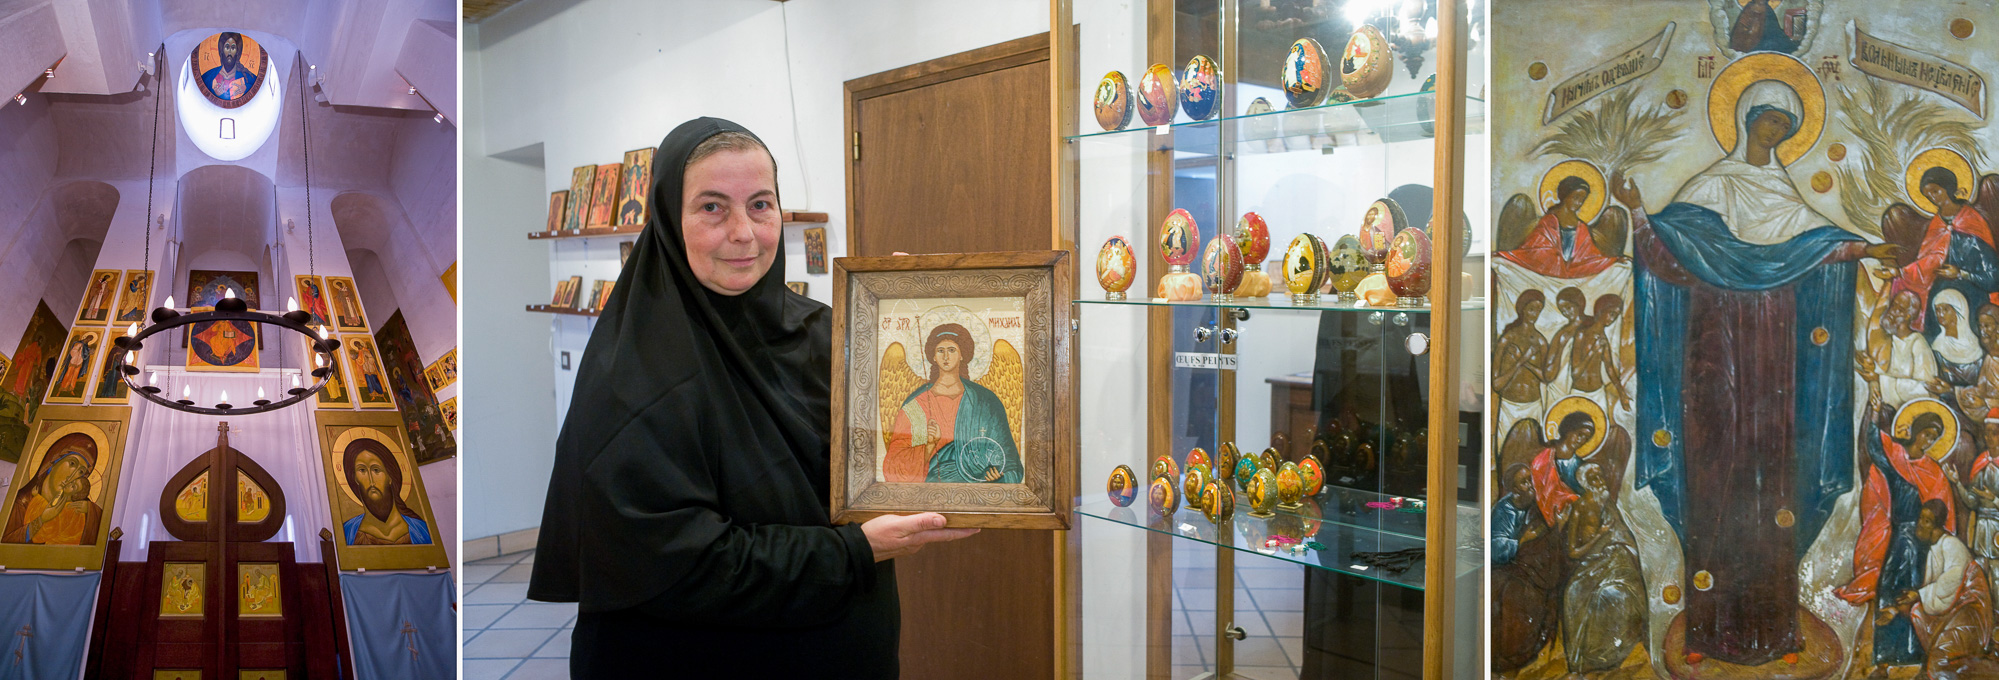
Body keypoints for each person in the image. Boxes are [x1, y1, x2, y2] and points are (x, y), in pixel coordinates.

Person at [528, 118, 979, 678]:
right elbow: (683, 567)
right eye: (712, 207)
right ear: (670, 218)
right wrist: (856, 551)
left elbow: (894, 444)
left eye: (761, 204)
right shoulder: (633, 375)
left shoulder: (824, 332)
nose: (743, 232)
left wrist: (911, 319)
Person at [1626, 77, 1897, 663]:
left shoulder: (1783, 195)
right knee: (1714, 471)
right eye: (1767, 122)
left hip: (1774, 354)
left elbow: (1813, 246)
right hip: (1713, 350)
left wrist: (1865, 250)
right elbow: (1669, 260)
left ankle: (1775, 631)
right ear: (1746, 121)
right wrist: (1639, 219)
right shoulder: (1709, 190)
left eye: (1784, 127)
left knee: (1773, 475)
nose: (1773, 133)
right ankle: (1705, 632)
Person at [1837, 400, 1957, 673]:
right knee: (1887, 593)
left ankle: (1916, 658)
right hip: (1898, 539)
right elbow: (1875, 448)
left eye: (1934, 438)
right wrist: (1876, 411)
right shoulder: (1896, 459)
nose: (1928, 441)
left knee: (1914, 596)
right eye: (1926, 433)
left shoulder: (1934, 471)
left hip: (1921, 544)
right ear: (1916, 430)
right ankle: (1884, 660)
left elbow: (1943, 511)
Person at [882, 324, 1023, 483]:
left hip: (975, 493)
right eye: (940, 351)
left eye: (952, 350)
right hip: (931, 492)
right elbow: (893, 467)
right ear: (933, 357)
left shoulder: (985, 401)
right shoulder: (915, 406)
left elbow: (1010, 461)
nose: (946, 357)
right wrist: (929, 447)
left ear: (962, 355)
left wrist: (999, 474)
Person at [1883, 166, 1998, 337]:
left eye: (1936, 191)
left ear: (1949, 188)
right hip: (1938, 300)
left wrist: (1961, 274)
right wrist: (1900, 272)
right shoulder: (1937, 225)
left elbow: (1993, 277)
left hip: (1971, 297)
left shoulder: (1972, 221)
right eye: (1928, 196)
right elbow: (1926, 264)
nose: (1933, 199)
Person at [1908, 498, 1993, 677]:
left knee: (1939, 656)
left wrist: (1919, 595)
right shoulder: (1934, 549)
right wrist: (1916, 598)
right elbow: (1932, 594)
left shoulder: (1951, 545)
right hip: (1952, 609)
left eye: (1926, 521)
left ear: (1937, 526)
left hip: (1970, 611)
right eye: (1921, 518)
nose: (1920, 524)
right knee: (1917, 612)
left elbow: (1948, 586)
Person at [1498, 176, 1619, 278]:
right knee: (1499, 264)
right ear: (1564, 196)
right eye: (1575, 197)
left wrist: (1613, 261)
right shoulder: (1548, 222)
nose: (1579, 203)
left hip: (1574, 276)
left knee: (1623, 268)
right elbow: (1532, 251)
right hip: (1545, 275)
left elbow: (1591, 257)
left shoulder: (1581, 227)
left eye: (1582, 199)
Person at [339, 439, 431, 546]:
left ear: (390, 476)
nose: (371, 480)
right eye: (362, 470)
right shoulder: (347, 532)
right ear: (355, 478)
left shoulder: (420, 530)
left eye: (376, 470)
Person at [200, 32, 260, 102]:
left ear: (238, 52)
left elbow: (257, 86)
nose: (229, 52)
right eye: (227, 47)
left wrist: (246, 88)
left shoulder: (247, 77)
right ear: (222, 50)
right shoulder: (210, 76)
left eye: (233, 48)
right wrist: (214, 93)